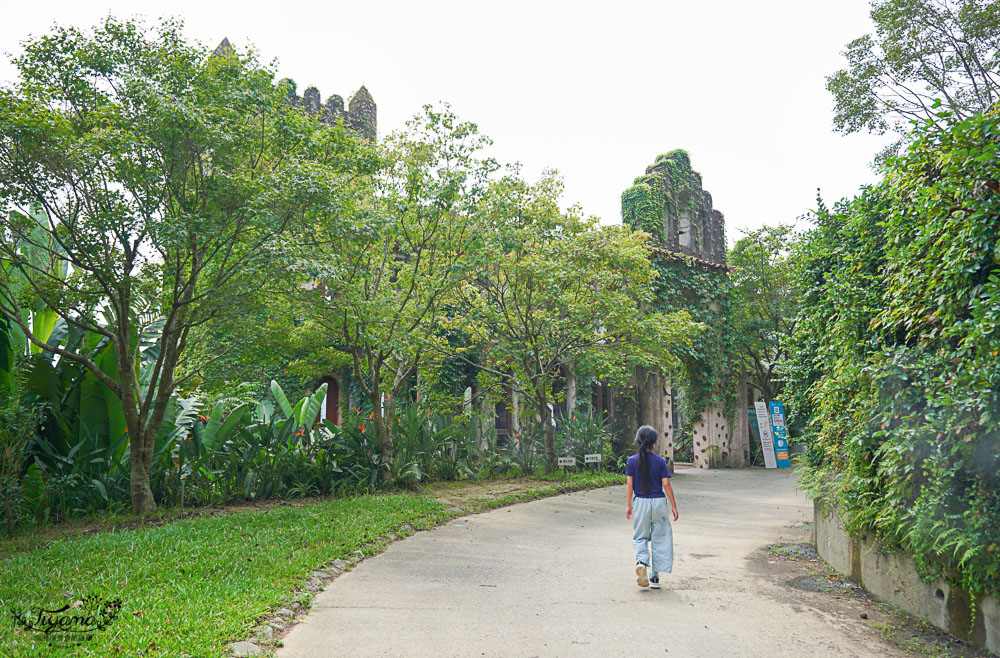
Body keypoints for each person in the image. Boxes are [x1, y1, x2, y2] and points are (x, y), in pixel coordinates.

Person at [626, 425, 678, 589]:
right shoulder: (660, 461)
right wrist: (674, 507)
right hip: (658, 503)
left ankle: (641, 562)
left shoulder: (631, 461)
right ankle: (655, 576)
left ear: (638, 441)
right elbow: (667, 485)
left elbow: (629, 485)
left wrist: (628, 505)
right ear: (654, 443)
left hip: (640, 502)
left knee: (640, 536)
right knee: (660, 537)